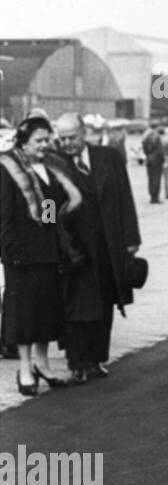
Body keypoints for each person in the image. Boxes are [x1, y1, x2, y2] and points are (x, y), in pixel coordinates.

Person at [53, 113, 142, 383]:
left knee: (104, 302)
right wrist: (47, 231)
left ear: (84, 132)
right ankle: (77, 362)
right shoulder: (52, 164)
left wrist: (131, 237)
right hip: (73, 249)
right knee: (76, 307)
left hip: (107, 245)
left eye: (72, 137)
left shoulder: (109, 158)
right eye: (63, 138)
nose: (67, 143)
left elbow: (125, 197)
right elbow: (47, 203)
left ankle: (96, 359)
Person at [1, 117, 81, 394]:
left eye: (48, 139)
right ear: (23, 141)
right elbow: (5, 216)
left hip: (46, 253)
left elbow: (48, 213)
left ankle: (42, 364)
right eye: (39, 140)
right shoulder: (7, 168)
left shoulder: (48, 168)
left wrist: (52, 239)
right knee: (24, 315)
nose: (46, 145)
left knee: (47, 312)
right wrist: (12, 251)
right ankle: (25, 368)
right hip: (21, 256)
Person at [142, 124, 166, 203]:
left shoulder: (146, 136)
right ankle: (155, 197)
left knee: (151, 179)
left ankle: (152, 196)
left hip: (149, 159)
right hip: (156, 160)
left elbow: (144, 149)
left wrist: (148, 155)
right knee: (156, 179)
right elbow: (160, 150)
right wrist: (163, 160)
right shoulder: (157, 137)